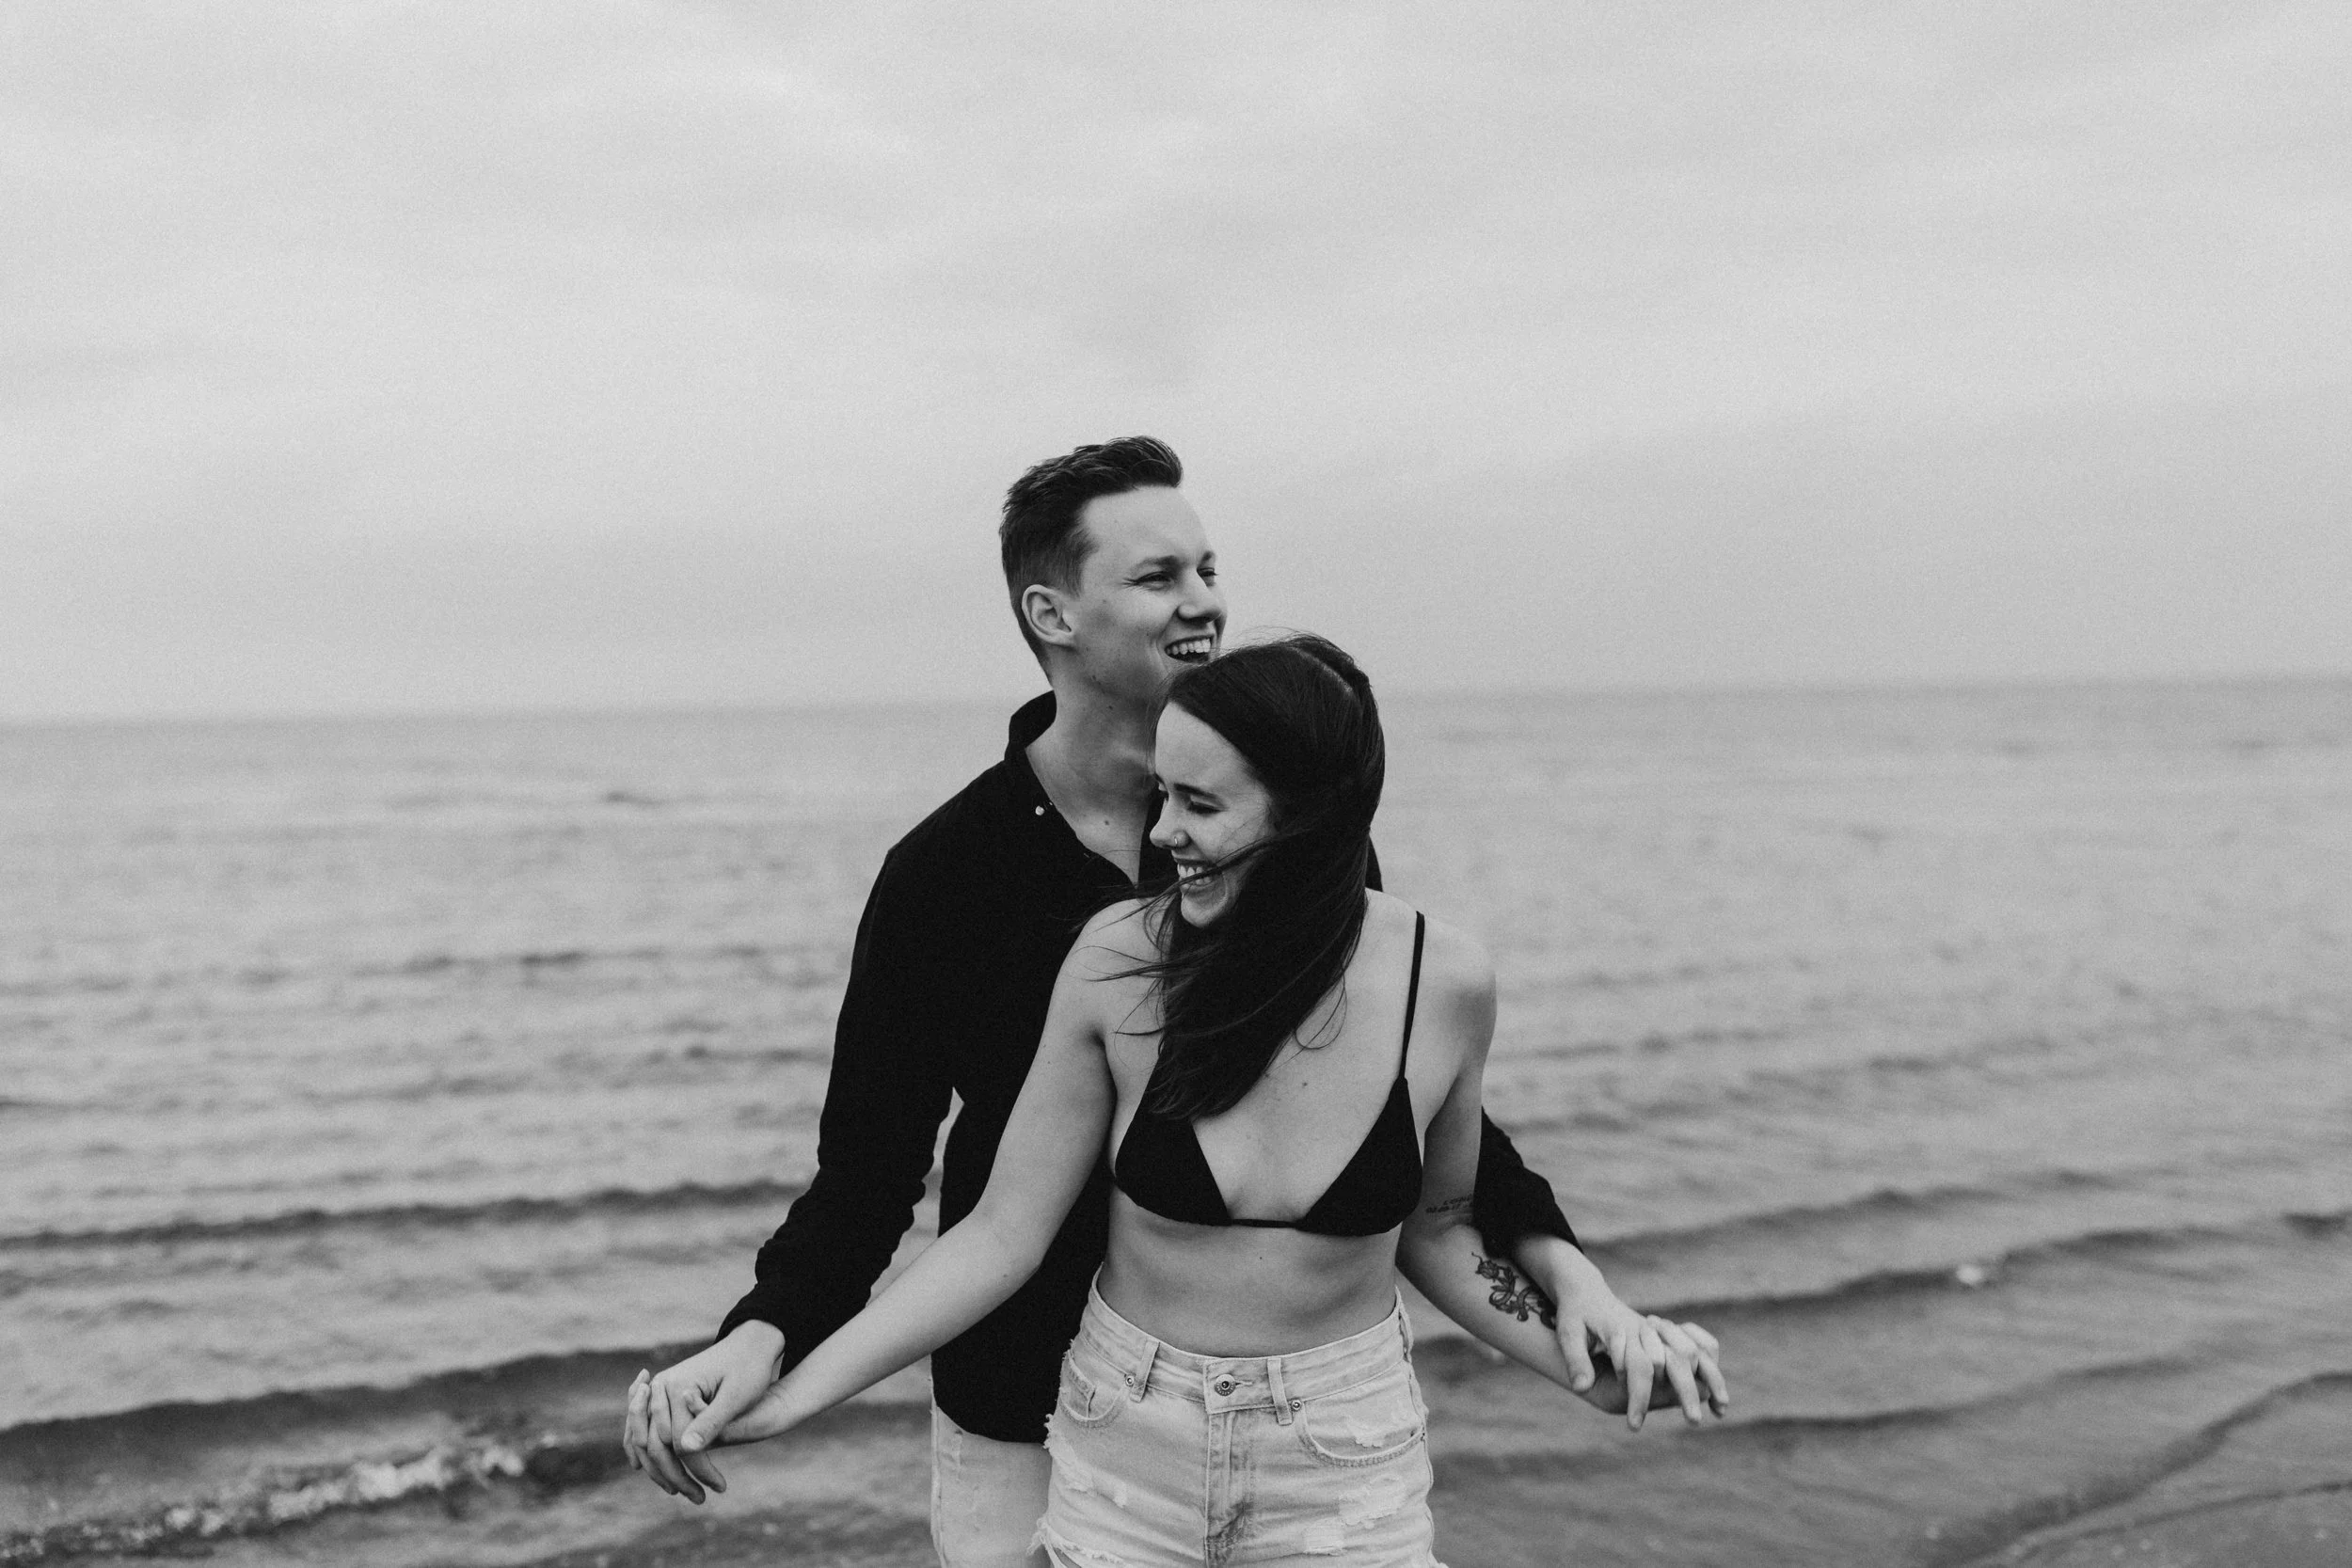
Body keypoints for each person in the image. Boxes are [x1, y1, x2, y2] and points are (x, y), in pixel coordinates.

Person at [621, 439, 1723, 1561]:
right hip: (1024, 1404)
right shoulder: (944, 875)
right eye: (1160, 577)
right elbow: (872, 1173)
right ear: (1052, 612)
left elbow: (1387, 1107)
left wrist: (1566, 1272)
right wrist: (768, 1341)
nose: (1206, 603)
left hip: (1319, 1430)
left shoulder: (1285, 843)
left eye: (1208, 568)